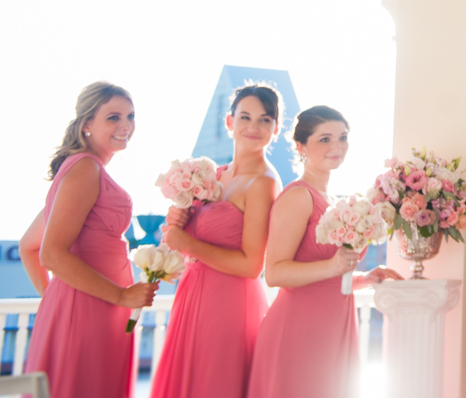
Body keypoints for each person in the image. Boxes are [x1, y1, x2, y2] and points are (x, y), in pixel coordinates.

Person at [246, 106, 400, 398]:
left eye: (342, 137)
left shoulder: (335, 201)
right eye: (325, 139)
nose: (337, 146)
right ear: (301, 147)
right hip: (299, 330)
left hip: (335, 325)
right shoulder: (298, 196)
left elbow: (325, 276)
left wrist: (361, 278)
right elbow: (276, 273)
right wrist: (333, 266)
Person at [19, 83, 158, 398]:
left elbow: (29, 246)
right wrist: (121, 296)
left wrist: (57, 301)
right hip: (92, 311)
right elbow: (50, 254)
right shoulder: (84, 168)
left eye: (130, 116)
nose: (126, 126)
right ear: (86, 125)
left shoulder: (81, 168)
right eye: (113, 117)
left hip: (86, 308)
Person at [150, 85, 283, 398]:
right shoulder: (215, 175)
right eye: (245, 117)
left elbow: (252, 266)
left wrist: (190, 244)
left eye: (265, 120)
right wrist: (178, 220)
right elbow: (180, 243)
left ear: (275, 129)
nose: (253, 127)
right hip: (192, 295)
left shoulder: (263, 183)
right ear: (229, 122)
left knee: (213, 385)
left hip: (228, 304)